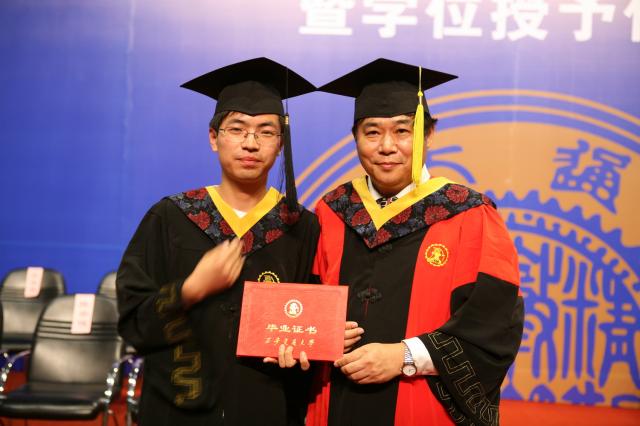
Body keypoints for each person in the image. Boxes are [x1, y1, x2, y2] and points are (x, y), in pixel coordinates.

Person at [306, 58, 524, 426]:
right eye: (372, 132)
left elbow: (496, 323)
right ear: (355, 137)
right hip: (336, 403)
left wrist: (404, 356)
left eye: (402, 131)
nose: (386, 146)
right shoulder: (332, 211)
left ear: (429, 134)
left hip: (421, 405)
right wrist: (318, 332)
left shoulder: (468, 213)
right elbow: (305, 302)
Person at [116, 58, 319, 426]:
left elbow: (314, 323)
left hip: (264, 407)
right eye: (237, 129)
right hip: (177, 408)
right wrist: (190, 289)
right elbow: (133, 321)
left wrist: (306, 349)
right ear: (214, 138)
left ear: (280, 144)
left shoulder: (301, 228)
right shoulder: (171, 217)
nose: (251, 143)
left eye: (266, 132)